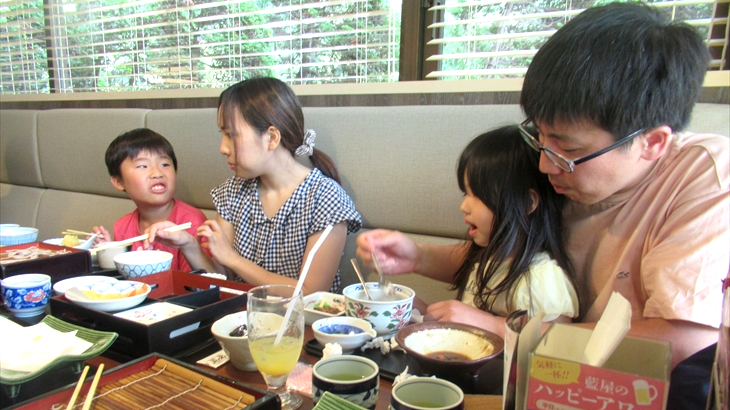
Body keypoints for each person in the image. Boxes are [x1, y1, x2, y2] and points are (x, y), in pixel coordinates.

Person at [357, 2, 727, 407]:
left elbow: (683, 339)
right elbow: (512, 250)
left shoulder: (702, 175)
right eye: (539, 135)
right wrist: (419, 255)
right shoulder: (565, 169)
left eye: (567, 148)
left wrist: (501, 329)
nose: (544, 163)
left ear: (652, 142)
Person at [145, 77, 362, 294]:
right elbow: (223, 278)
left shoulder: (325, 198)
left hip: (300, 315)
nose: (223, 148)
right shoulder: (232, 192)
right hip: (238, 313)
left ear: (272, 137)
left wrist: (233, 259)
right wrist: (188, 245)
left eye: (230, 135)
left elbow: (310, 292)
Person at [362, 126, 579, 338]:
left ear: (526, 203)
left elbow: (558, 341)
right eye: (465, 194)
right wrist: (419, 312)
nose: (464, 207)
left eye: (477, 195)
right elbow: (467, 325)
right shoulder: (487, 257)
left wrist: (493, 325)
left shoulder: (540, 278)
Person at [93, 128, 208, 272]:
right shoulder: (122, 226)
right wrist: (109, 252)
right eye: (143, 166)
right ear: (119, 182)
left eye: (164, 164)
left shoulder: (191, 222)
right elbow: (123, 279)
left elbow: (198, 280)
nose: (157, 173)